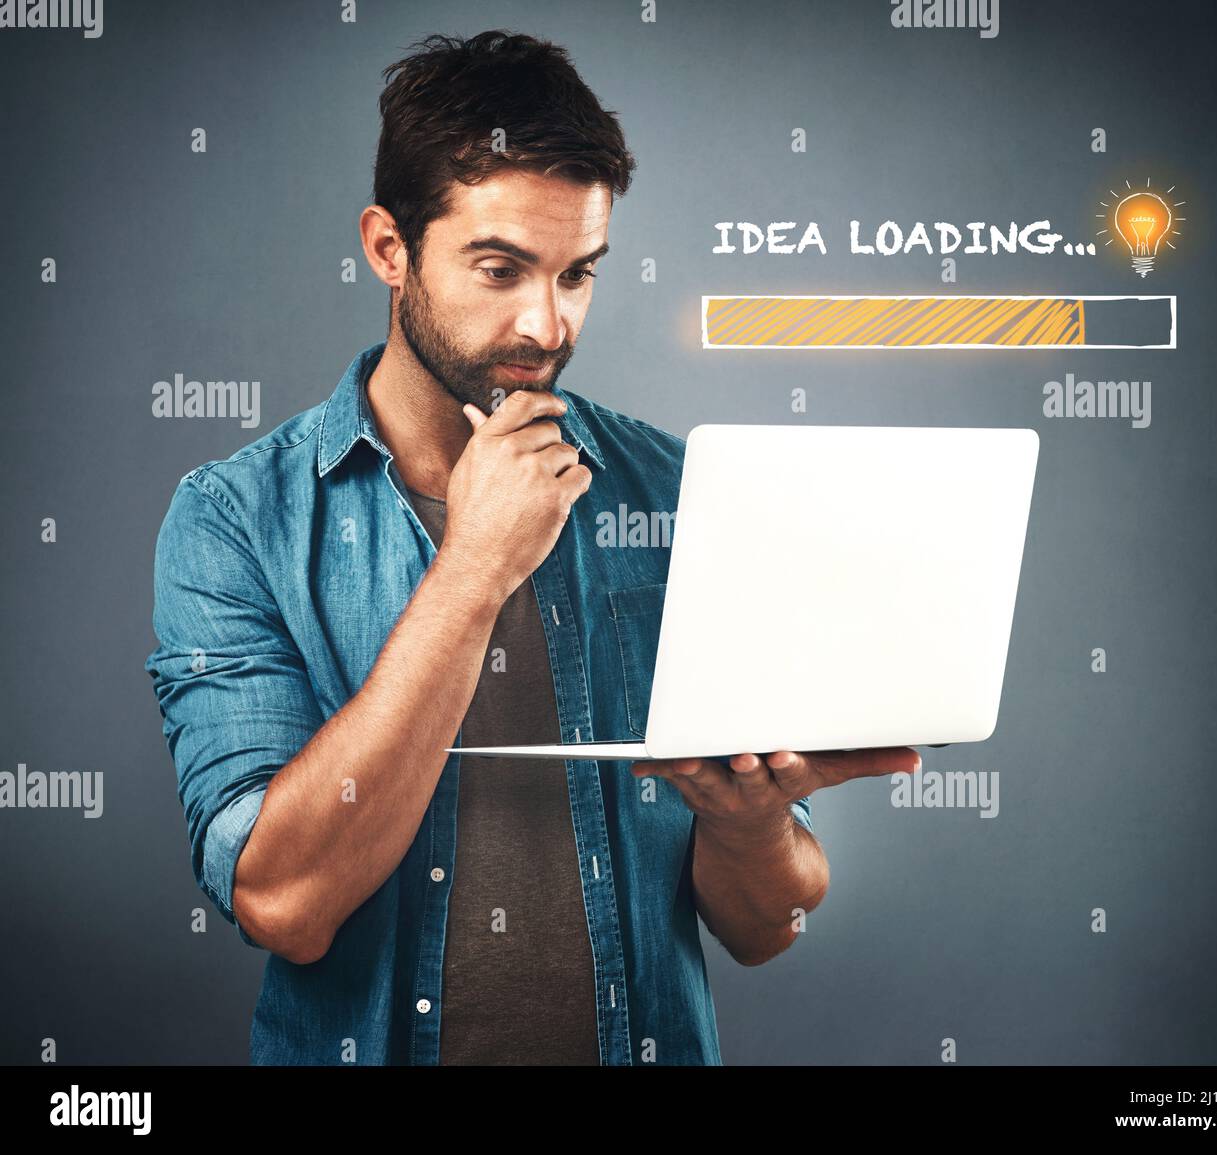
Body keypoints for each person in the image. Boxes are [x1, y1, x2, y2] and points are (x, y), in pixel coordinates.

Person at [144, 28, 918, 1066]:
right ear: (388, 247)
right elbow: (284, 903)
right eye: (500, 268)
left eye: (577, 275)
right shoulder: (235, 519)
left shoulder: (682, 495)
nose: (545, 325)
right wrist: (473, 568)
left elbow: (763, 927)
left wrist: (748, 825)